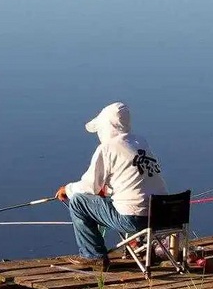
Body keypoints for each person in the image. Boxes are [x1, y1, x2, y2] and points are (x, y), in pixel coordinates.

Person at [56, 102, 167, 267]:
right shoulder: (140, 142)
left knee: (79, 202)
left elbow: (90, 186)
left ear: (107, 127)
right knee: (117, 200)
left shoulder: (107, 148)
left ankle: (93, 255)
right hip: (163, 216)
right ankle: (138, 243)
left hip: (135, 219)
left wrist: (67, 189)